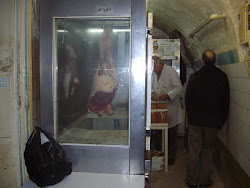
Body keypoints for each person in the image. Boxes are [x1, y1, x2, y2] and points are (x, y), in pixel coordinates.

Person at [185, 50, 230, 188]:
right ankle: (204, 180)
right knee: (208, 149)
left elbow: (188, 100)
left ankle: (192, 179)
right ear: (215, 60)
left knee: (194, 149)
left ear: (202, 61)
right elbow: (226, 101)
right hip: (212, 122)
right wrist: (222, 120)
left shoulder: (195, 76)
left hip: (196, 121)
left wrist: (191, 115)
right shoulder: (222, 77)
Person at [151, 56, 183, 165]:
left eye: (154, 66)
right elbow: (149, 85)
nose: (153, 69)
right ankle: (159, 154)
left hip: (171, 107)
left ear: (160, 64)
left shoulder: (170, 71)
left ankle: (171, 156)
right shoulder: (152, 72)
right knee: (159, 132)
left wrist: (167, 95)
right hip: (158, 107)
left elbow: (179, 88)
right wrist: (152, 93)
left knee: (171, 133)